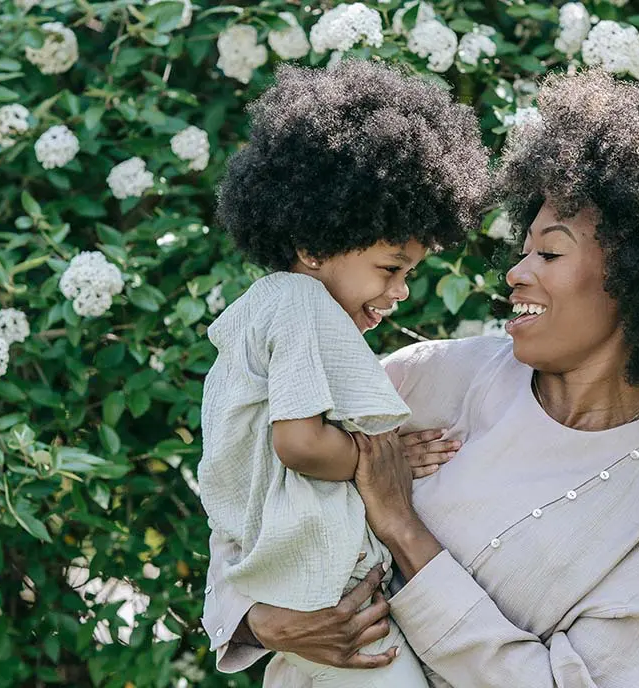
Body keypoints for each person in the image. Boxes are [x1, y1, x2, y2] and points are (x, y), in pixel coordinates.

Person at [202, 70, 639, 687]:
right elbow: (250, 491)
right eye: (523, 251)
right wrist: (260, 620)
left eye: (549, 253)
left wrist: (403, 528)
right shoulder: (426, 379)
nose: (515, 274)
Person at [198, 60, 491, 686]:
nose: (401, 291)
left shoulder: (265, 311)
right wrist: (377, 460)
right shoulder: (301, 303)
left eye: (409, 273)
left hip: (298, 607)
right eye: (391, 269)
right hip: (337, 611)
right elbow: (300, 445)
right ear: (314, 248)